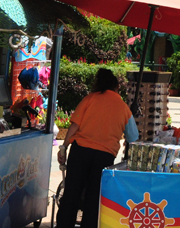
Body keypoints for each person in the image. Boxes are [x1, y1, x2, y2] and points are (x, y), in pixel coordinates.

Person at [56, 68, 138, 228]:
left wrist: (64, 147)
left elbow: (74, 126)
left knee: (71, 194)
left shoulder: (89, 99)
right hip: (105, 156)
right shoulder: (123, 108)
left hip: (80, 152)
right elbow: (133, 137)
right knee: (94, 198)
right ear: (116, 87)